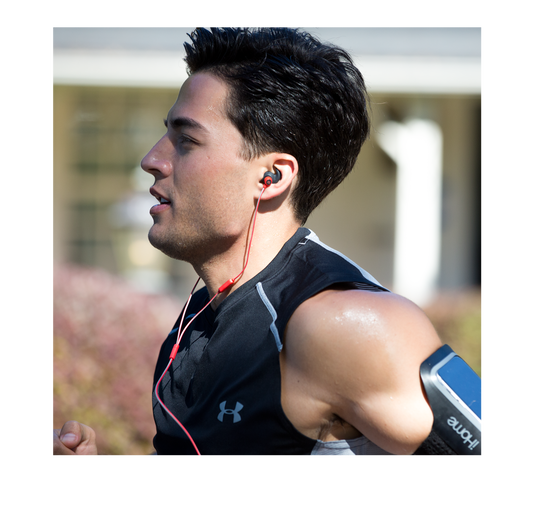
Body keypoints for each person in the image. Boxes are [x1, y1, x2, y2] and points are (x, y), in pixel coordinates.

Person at [52, 24, 442, 458]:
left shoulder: (344, 324)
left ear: (271, 177)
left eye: (186, 140)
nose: (151, 159)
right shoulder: (198, 318)